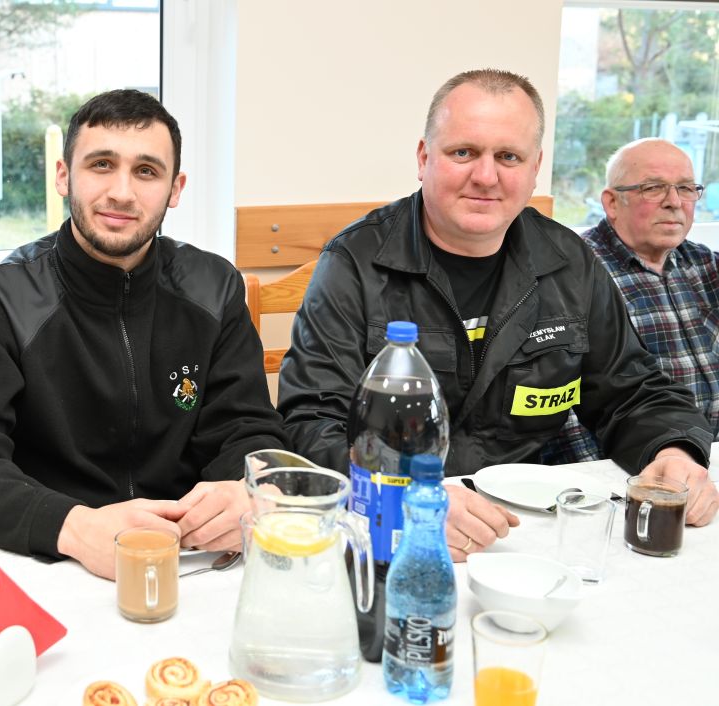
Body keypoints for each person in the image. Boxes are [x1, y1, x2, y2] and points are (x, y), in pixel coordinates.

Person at [277, 69, 719, 562]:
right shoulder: (354, 263)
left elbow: (633, 391)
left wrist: (673, 451)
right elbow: (311, 421)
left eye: (508, 157)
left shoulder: (569, 263)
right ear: (424, 158)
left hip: (526, 532)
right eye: (463, 152)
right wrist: (403, 495)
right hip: (390, 523)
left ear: (535, 168)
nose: (486, 176)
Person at [0, 89, 287, 579]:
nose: (122, 193)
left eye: (146, 171)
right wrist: (74, 527)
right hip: (49, 559)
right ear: (63, 176)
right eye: (102, 165)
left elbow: (247, 427)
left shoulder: (214, 287)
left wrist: (248, 487)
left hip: (190, 560)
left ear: (175, 189)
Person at [544, 138, 719, 462]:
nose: (674, 202)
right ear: (612, 203)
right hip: (628, 468)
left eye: (685, 188)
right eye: (653, 188)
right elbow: (563, 412)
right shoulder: (572, 274)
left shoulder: (706, 264)